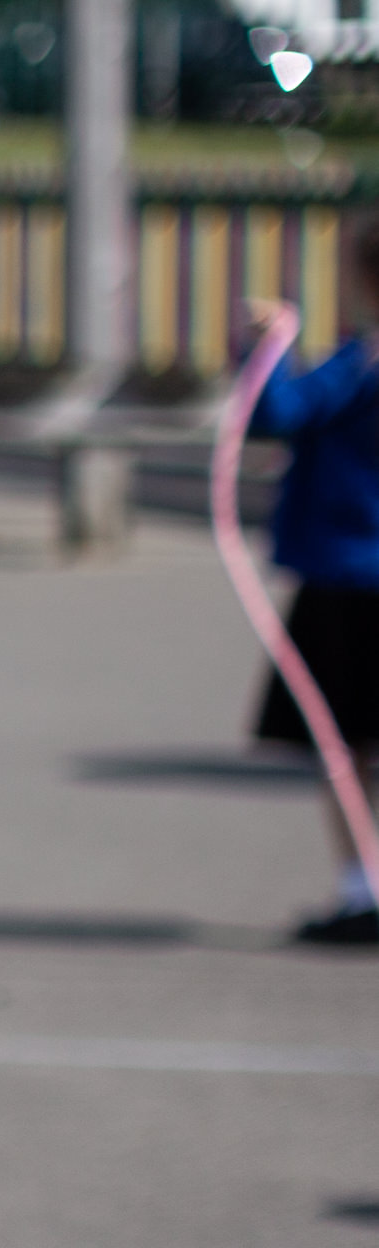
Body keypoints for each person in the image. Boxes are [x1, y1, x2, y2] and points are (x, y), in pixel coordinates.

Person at [242, 227, 379, 946]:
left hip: (349, 574)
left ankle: (364, 890)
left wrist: (268, 350)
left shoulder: (360, 364)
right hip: (350, 570)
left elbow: (276, 416)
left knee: (345, 742)